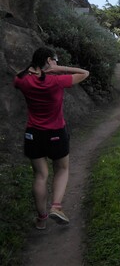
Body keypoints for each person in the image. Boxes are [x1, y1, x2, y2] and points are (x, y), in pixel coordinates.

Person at [14, 47, 89, 230]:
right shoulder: (56, 81)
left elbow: (19, 75)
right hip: (56, 132)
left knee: (40, 175)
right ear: (49, 60)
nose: (56, 62)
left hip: (33, 134)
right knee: (62, 169)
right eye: (55, 59)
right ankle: (56, 206)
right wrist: (58, 68)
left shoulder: (22, 81)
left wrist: (36, 68)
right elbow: (85, 73)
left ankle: (41, 218)